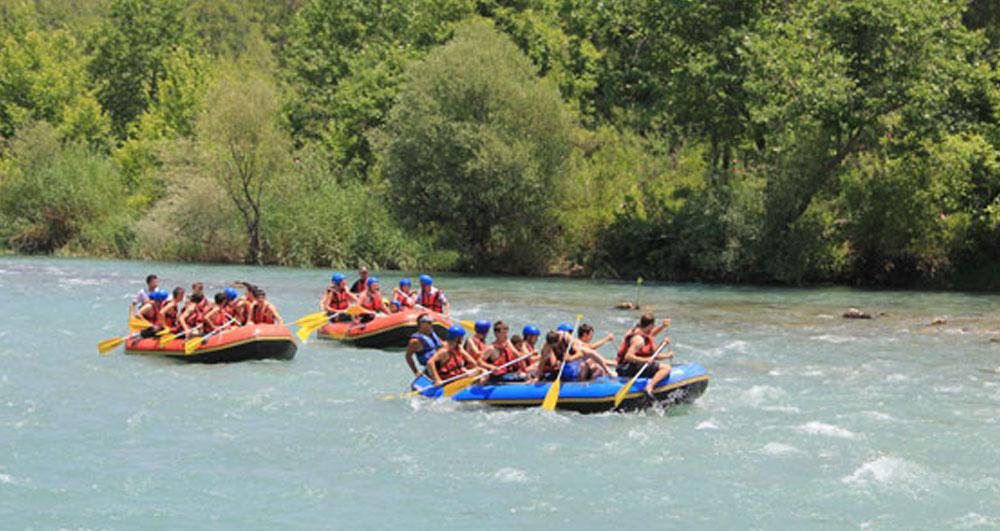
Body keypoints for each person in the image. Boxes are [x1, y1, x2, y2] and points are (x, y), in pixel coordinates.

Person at [616, 313, 673, 400]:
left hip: (625, 366)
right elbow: (628, 356)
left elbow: (654, 353)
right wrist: (645, 360)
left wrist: (662, 329)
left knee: (655, 364)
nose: (654, 327)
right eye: (653, 325)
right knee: (666, 368)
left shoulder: (640, 331)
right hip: (627, 368)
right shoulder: (639, 340)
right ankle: (649, 387)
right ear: (650, 325)